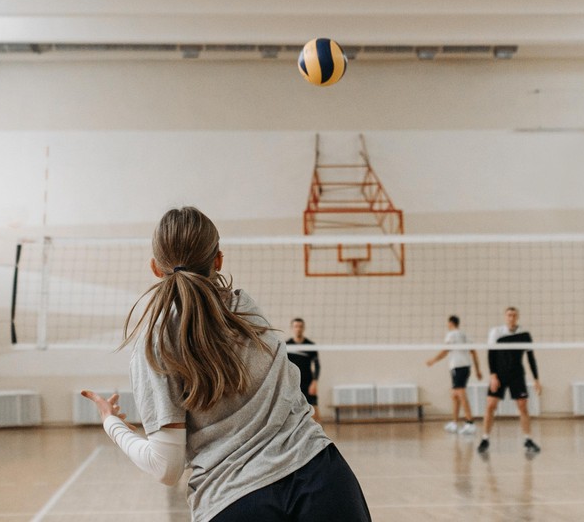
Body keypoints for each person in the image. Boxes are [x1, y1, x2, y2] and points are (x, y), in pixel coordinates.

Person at [82, 206, 370, 522]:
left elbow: (166, 467)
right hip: (323, 478)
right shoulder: (246, 308)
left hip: (234, 500)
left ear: (154, 267)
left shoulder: (155, 345)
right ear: (218, 260)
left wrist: (112, 423)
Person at [477, 306, 541, 455]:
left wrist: (536, 379)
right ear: (505, 317)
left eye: (514, 315)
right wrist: (493, 375)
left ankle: (528, 439)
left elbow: (531, 358)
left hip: (517, 374)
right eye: (509, 315)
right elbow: (491, 355)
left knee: (523, 406)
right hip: (499, 374)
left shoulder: (524, 335)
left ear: (517, 317)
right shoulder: (496, 332)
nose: (511, 318)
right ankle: (485, 439)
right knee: (490, 405)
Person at [425, 315, 482, 434]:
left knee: (460, 393)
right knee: (455, 395)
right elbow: (474, 352)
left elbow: (445, 350)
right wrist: (477, 370)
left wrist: (433, 360)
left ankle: (470, 422)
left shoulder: (451, 334)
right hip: (465, 367)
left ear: (450, 323)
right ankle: (455, 423)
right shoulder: (465, 335)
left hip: (458, 367)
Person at [286, 317, 320, 422]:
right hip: (292, 382)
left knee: (314, 410)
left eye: (300, 326)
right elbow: (284, 365)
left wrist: (314, 382)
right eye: (296, 326)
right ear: (292, 328)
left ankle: (319, 434)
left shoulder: (310, 345)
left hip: (308, 382)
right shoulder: (286, 345)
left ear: (303, 328)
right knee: (291, 411)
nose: (298, 329)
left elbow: (317, 365)